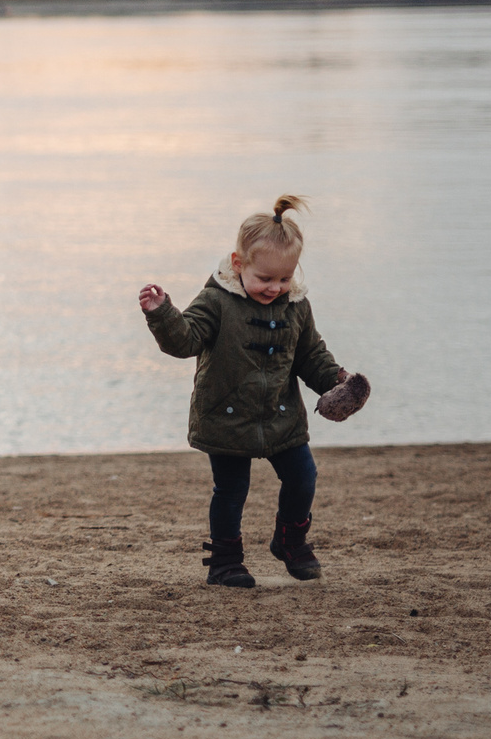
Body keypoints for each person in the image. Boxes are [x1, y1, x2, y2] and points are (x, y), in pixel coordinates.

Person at [138, 195, 354, 588]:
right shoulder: (217, 301)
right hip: (226, 416)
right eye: (265, 279)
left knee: (304, 477)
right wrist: (162, 313)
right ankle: (225, 561)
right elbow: (184, 341)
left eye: (284, 279)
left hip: (280, 415)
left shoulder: (296, 306)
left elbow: (311, 356)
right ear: (238, 265)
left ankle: (290, 540)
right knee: (231, 490)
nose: (275, 288)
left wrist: (338, 382)